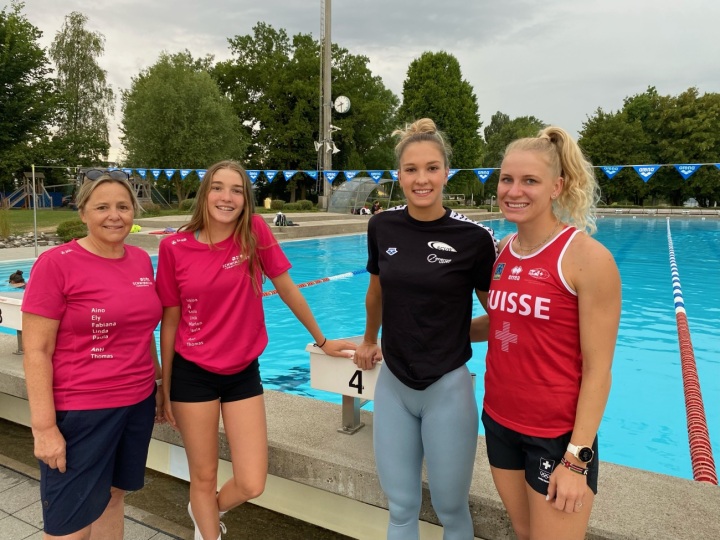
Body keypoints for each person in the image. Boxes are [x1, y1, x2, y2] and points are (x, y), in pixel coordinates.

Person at [156, 160, 356, 540]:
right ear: (205, 194)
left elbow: (286, 287)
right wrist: (164, 385)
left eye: (236, 190)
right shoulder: (174, 247)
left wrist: (322, 339)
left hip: (241, 372)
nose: (226, 197)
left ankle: (205, 514)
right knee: (203, 475)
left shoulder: (254, 234)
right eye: (218, 187)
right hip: (191, 374)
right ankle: (207, 530)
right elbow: (170, 320)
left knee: (251, 482)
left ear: (245, 199)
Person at [474, 126, 621, 540]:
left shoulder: (586, 258)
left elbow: (598, 370)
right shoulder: (502, 251)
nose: (514, 190)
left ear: (557, 187)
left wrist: (576, 459)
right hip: (500, 421)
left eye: (529, 181)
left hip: (555, 436)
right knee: (524, 534)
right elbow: (506, 324)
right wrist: (437, 334)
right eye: (507, 179)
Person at [354, 119, 497, 539]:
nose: (422, 179)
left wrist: (453, 332)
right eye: (411, 169)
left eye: (432, 168)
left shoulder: (474, 238)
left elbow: (501, 317)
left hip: (447, 385)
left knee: (451, 509)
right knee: (400, 508)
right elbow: (376, 294)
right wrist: (367, 340)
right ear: (398, 176)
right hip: (394, 384)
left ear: (446, 172)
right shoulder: (382, 226)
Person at [22, 169, 164, 540]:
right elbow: (36, 350)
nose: (114, 215)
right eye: (102, 207)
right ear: (83, 212)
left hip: (136, 404)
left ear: (134, 212)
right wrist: (45, 428)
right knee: (70, 521)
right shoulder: (56, 264)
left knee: (113, 497)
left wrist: (159, 382)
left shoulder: (138, 260)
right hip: (82, 411)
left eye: (122, 206)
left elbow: (142, 329)